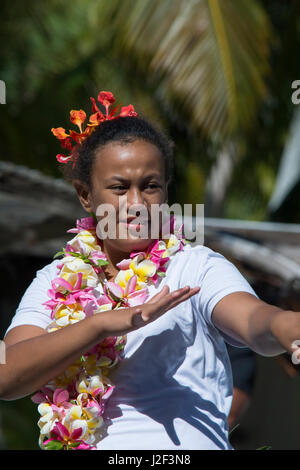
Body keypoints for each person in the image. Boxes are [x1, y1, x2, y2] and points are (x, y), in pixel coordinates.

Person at [0, 91, 299, 451]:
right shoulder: (54, 281)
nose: (137, 204)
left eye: (150, 186)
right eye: (119, 188)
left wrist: (289, 328)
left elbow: (257, 322)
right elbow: (7, 376)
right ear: (85, 194)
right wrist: (101, 324)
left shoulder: (196, 266)